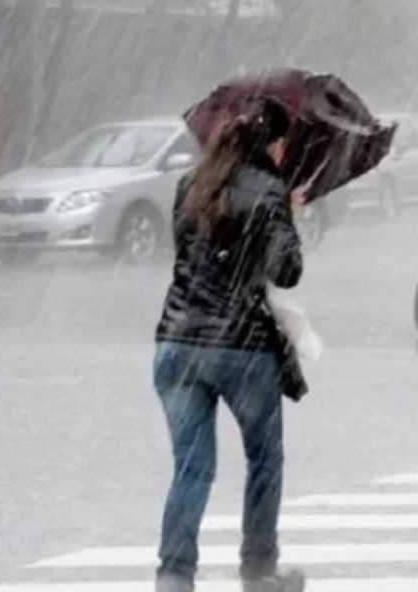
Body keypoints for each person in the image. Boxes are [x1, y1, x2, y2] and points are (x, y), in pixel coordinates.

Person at [153, 97, 306, 592]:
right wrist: (287, 216)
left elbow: (194, 257)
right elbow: (288, 271)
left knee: (192, 469)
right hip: (241, 348)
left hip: (176, 343)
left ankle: (175, 576)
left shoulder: (189, 186)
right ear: (273, 144)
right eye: (285, 144)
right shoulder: (267, 191)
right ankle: (258, 569)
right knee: (264, 457)